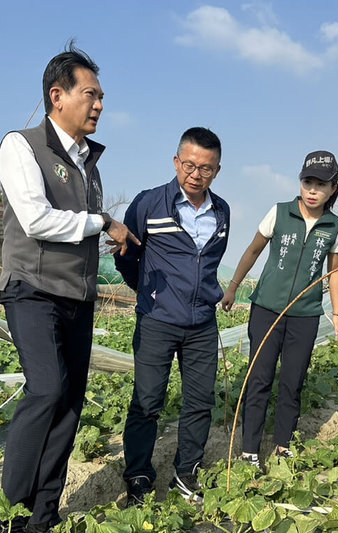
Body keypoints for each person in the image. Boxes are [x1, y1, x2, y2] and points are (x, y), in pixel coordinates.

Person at [0, 43, 138, 533]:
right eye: (91, 94)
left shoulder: (87, 164)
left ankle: (42, 517)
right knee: (46, 389)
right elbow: (35, 218)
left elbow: (82, 225)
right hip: (31, 290)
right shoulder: (22, 146)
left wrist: (108, 230)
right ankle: (9, 516)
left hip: (77, 297)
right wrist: (102, 222)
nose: (99, 105)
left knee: (70, 403)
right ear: (58, 95)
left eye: (102, 97)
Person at [115, 127, 229, 505]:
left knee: (200, 401)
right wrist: (149, 293)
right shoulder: (149, 204)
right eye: (190, 165)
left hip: (201, 324)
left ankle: (187, 473)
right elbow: (126, 255)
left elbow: (210, 263)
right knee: (147, 401)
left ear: (217, 170)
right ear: (177, 162)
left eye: (206, 169)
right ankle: (139, 476)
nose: (196, 175)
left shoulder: (222, 211)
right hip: (157, 321)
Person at [221, 150, 338, 467]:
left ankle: (282, 445)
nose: (312, 190)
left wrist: (336, 315)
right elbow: (253, 250)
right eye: (308, 181)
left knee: (293, 382)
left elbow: (334, 272)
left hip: (305, 316)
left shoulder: (334, 226)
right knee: (260, 379)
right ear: (300, 182)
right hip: (267, 309)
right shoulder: (279, 213)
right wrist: (233, 287)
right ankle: (250, 449)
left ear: (332, 189)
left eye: (321, 185)